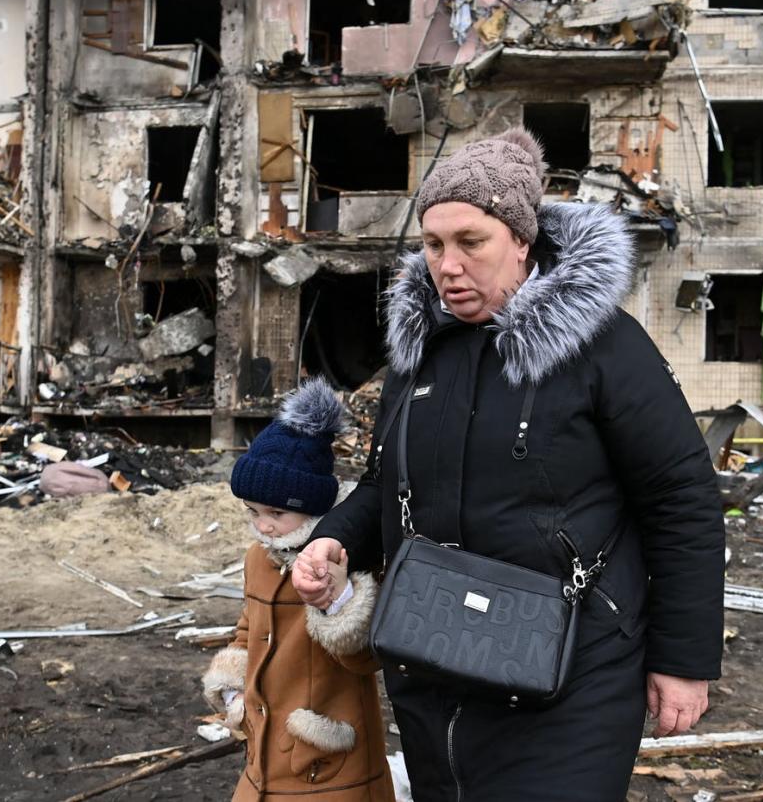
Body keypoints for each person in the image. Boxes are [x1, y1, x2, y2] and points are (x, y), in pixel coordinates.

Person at [292, 128, 725, 801]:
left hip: (575, 670)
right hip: (436, 658)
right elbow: (387, 482)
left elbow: (682, 499)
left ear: (521, 240)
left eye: (472, 242)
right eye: (434, 245)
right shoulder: (421, 353)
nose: (448, 265)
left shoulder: (605, 347)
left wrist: (683, 660)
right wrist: (334, 540)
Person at [202, 377, 395, 802]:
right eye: (253, 511)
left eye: (276, 512)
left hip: (326, 759)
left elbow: (367, 659)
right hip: (263, 750)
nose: (263, 525)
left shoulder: (343, 556)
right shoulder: (260, 557)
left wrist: (338, 603)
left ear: (314, 506)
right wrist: (235, 690)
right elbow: (247, 629)